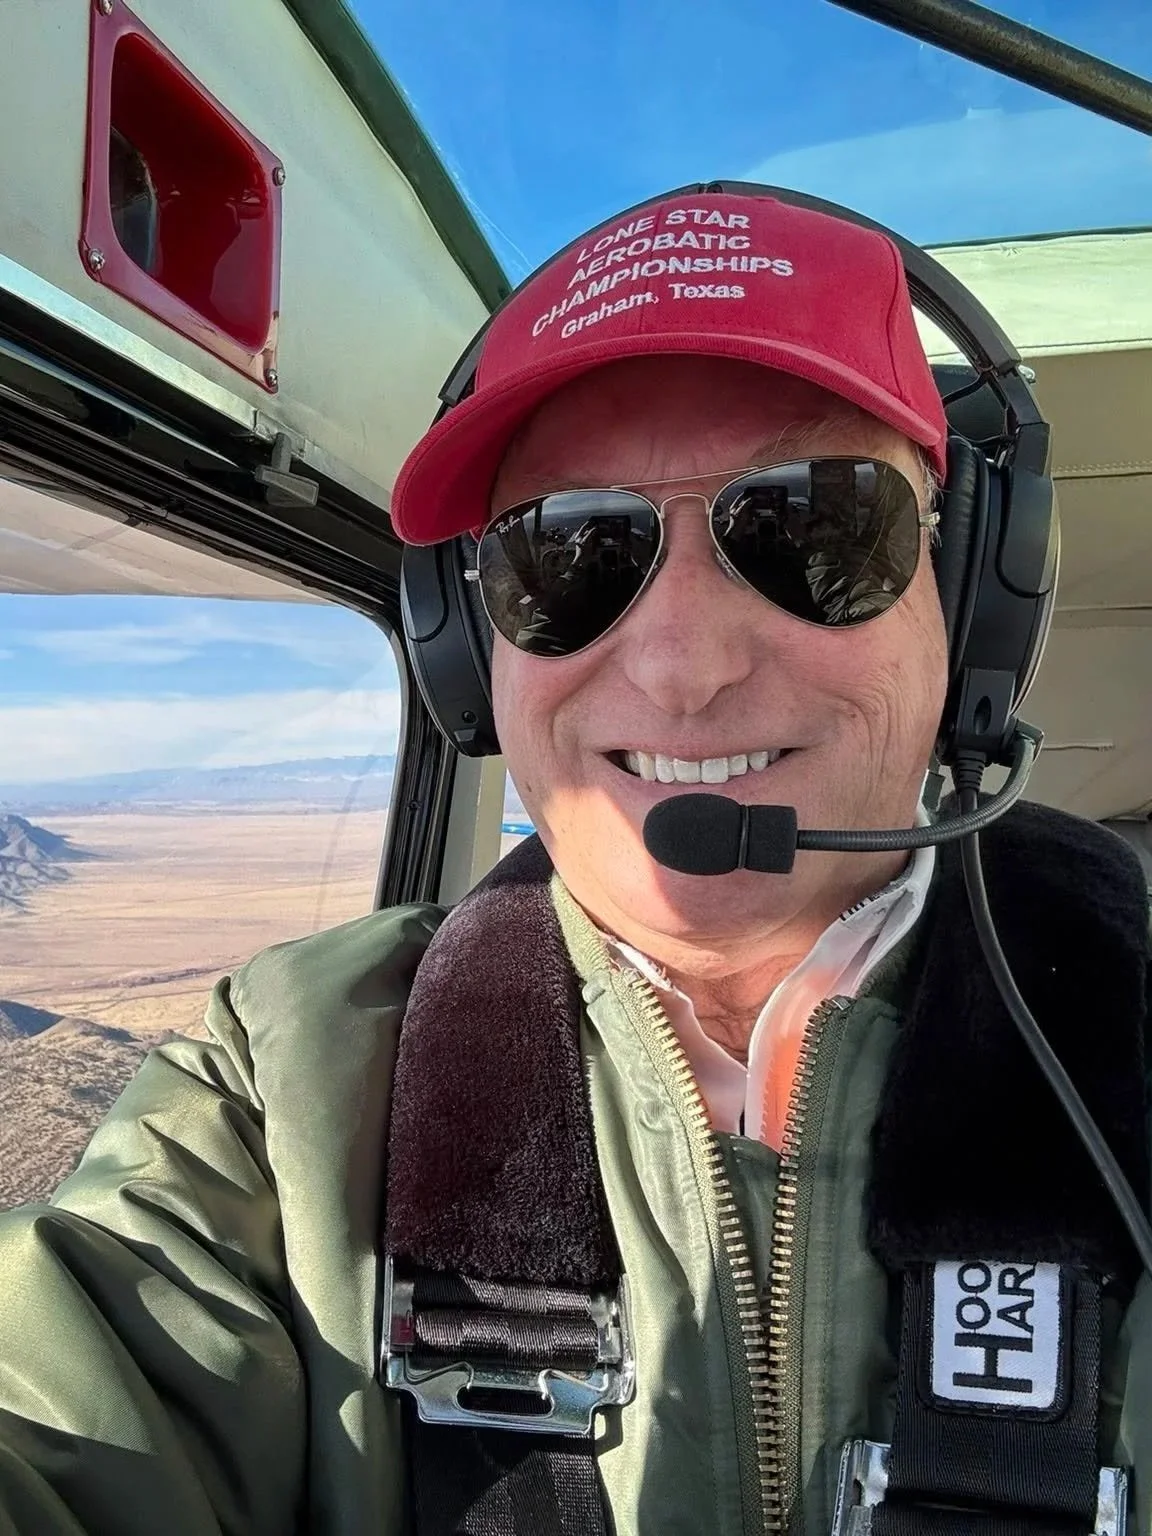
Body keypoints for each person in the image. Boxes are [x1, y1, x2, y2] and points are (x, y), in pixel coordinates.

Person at [0, 188, 1148, 1536]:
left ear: (972, 599)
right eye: (566, 553)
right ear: (459, 640)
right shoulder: (285, 1077)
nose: (680, 665)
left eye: (813, 531)